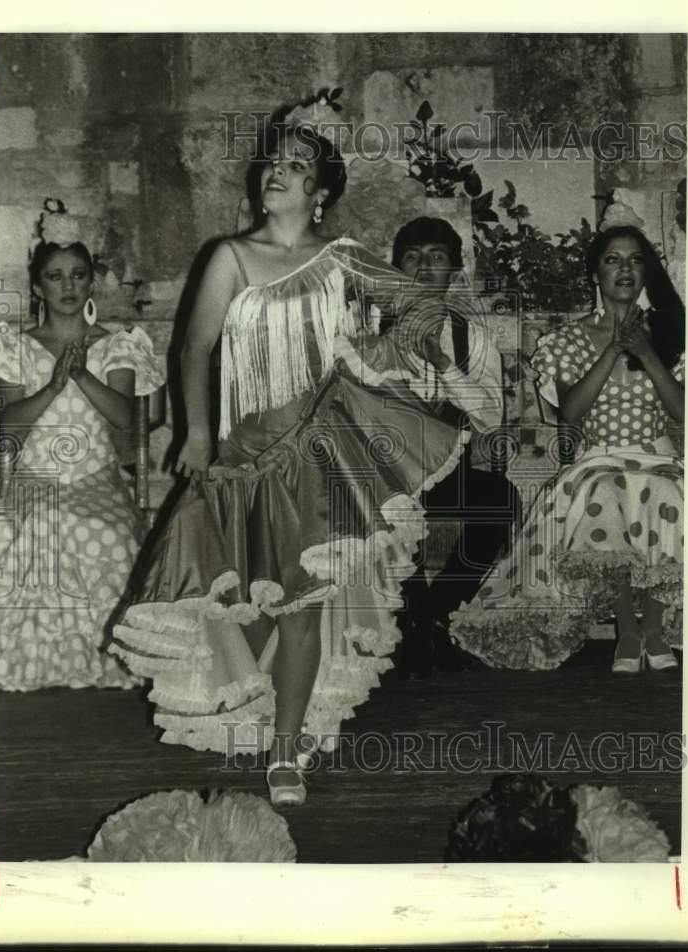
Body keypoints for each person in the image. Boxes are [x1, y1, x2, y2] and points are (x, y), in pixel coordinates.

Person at [109, 94, 470, 805]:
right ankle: (254, 710)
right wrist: (197, 430)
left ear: (322, 191)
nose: (277, 172)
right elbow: (195, 346)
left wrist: (371, 361)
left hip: (316, 445)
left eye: (297, 165)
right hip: (240, 450)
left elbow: (421, 305)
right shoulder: (230, 256)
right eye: (273, 162)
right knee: (241, 596)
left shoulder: (342, 261)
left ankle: (285, 753)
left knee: (304, 599)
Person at [449, 221, 685, 673]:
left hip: (658, 458)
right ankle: (627, 629)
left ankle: (653, 626)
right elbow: (570, 414)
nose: (625, 269)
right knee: (605, 494)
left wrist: (648, 352)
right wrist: (614, 349)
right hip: (598, 460)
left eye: (636, 260)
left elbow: (683, 412)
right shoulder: (567, 340)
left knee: (668, 494)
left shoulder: (672, 331)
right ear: (595, 273)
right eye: (612, 260)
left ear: (647, 271)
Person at [0, 204, 165, 690]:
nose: (68, 286)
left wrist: (82, 375)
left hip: (96, 480)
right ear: (37, 287)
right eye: (55, 277)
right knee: (42, 523)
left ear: (92, 283)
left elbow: (127, 424)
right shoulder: (15, 347)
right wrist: (50, 387)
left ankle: (104, 655)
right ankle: (39, 656)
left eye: (78, 275)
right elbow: (8, 430)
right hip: (33, 480)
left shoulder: (117, 345)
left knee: (106, 535)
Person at [388, 217, 521, 676]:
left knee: (500, 500)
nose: (424, 267)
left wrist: (443, 364)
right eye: (412, 257)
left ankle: (435, 614)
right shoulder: (369, 331)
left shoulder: (474, 337)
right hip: (387, 475)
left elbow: (489, 416)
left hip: (447, 470)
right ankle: (413, 619)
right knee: (363, 503)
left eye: (436, 257)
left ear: (455, 271)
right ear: (396, 268)